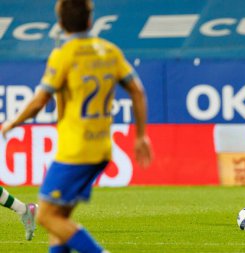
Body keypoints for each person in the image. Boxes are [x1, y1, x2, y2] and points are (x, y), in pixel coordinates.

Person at [1, 0, 153, 252]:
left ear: (60, 24)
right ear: (91, 21)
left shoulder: (64, 55)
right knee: (59, 221)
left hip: (75, 151)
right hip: (102, 148)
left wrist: (12, 123)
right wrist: (140, 136)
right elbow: (137, 91)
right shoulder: (110, 51)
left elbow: (40, 100)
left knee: (46, 217)